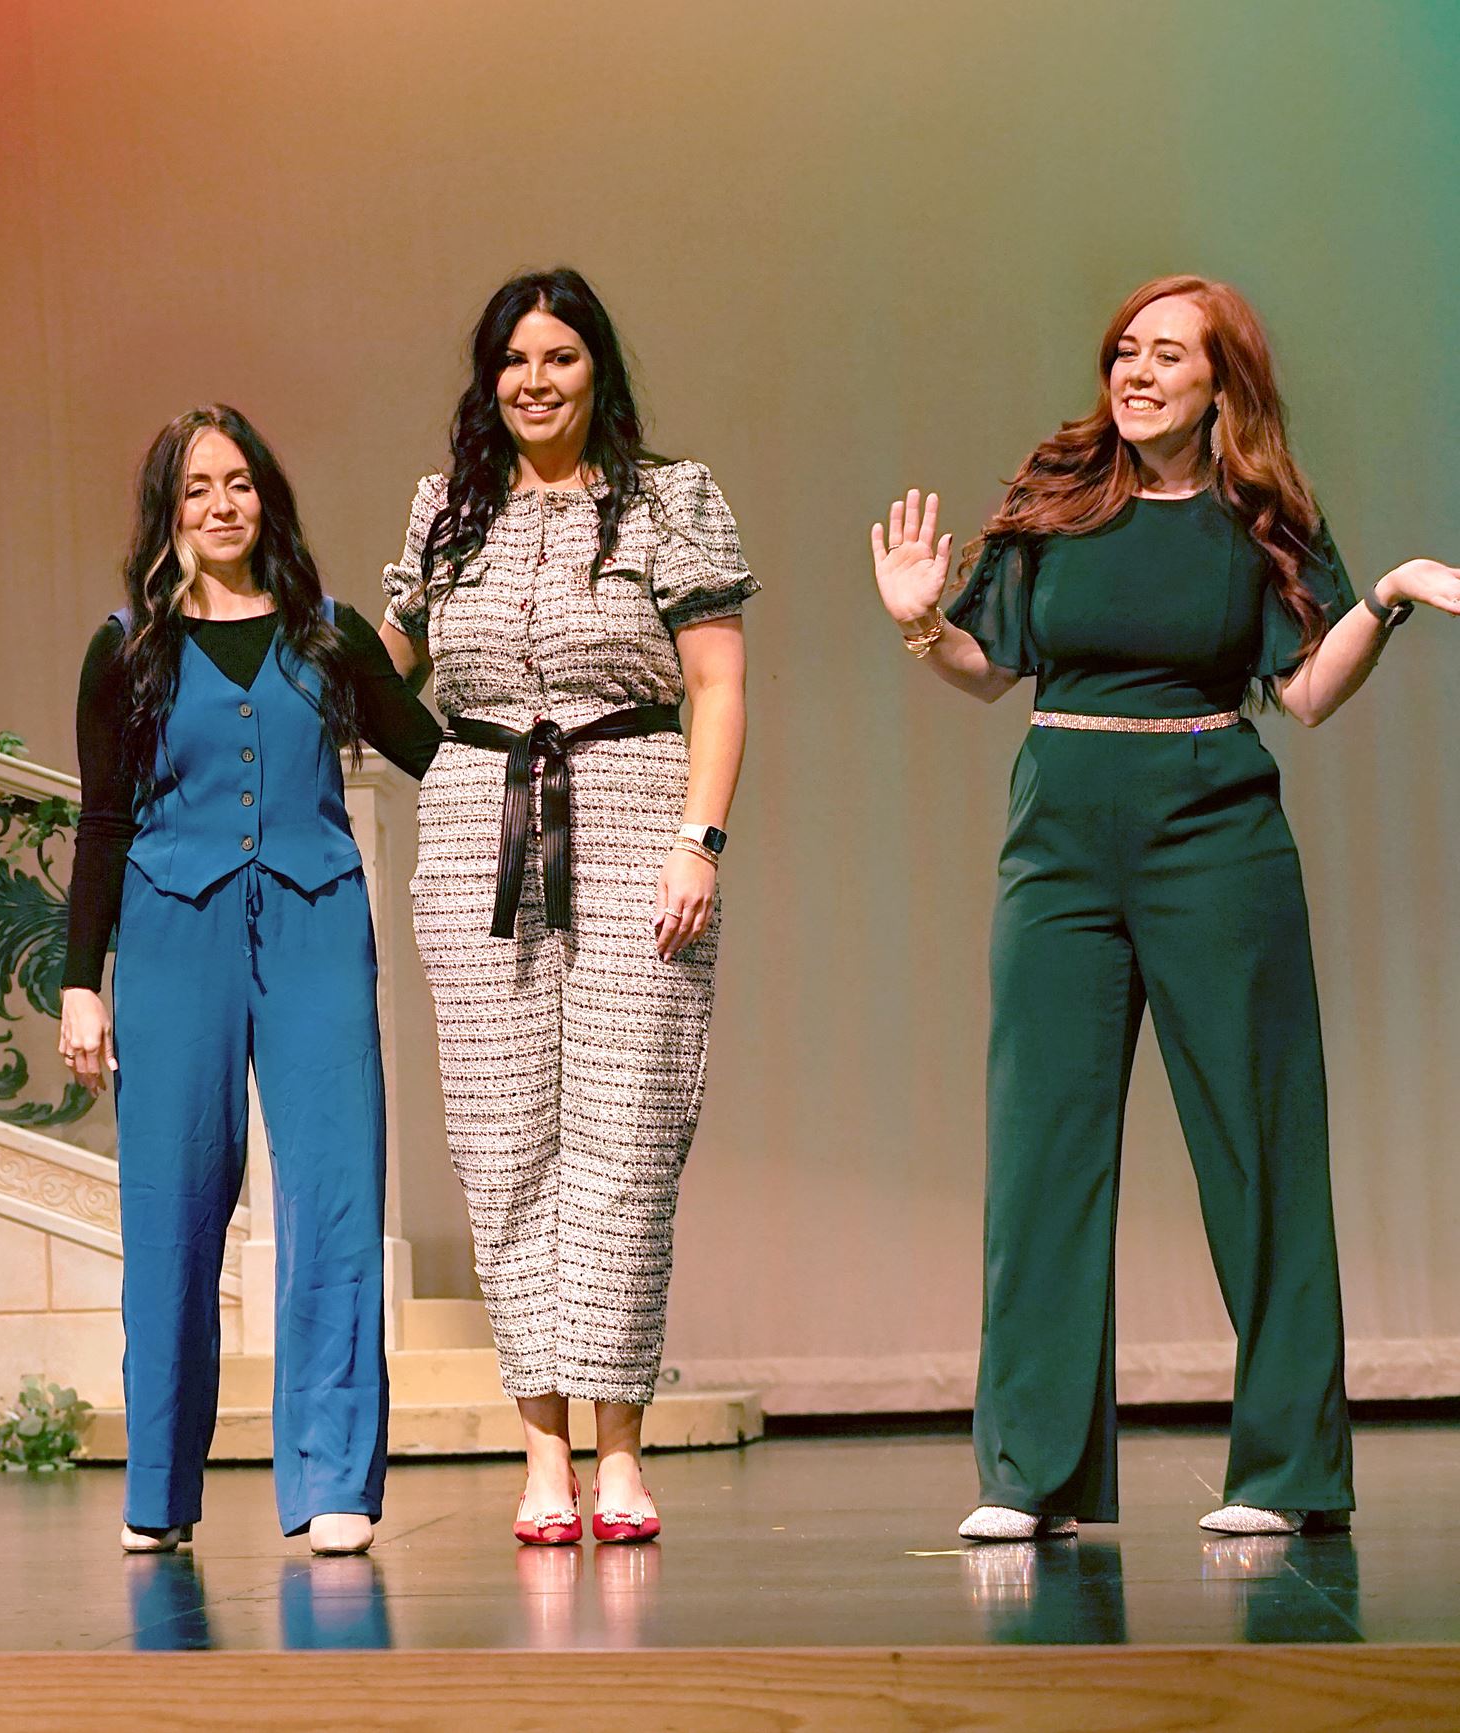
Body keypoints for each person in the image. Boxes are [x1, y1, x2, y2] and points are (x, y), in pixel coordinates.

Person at [870, 274, 1460, 1541]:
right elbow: (985, 674)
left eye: (1166, 355)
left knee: (1257, 1145)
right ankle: (1027, 1471)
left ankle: (1285, 1469)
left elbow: (1301, 693)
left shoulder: (1260, 518)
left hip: (1214, 841)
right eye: (1123, 351)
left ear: (1219, 383)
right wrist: (921, 624)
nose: (1134, 372)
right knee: (1040, 1148)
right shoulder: (1060, 500)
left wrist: (1391, 590)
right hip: (1060, 849)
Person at [379, 269, 754, 1547]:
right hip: (474, 826)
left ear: (597, 368)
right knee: (502, 1143)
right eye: (512, 361)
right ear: (487, 380)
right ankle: (539, 1447)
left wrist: (697, 840)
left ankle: (619, 1446)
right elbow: (382, 675)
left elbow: (714, 684)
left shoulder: (667, 499)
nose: (534, 381)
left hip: (634, 813)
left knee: (624, 1136)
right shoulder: (445, 513)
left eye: (559, 357)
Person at [60, 405, 439, 1557]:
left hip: (318, 923)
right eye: (193, 488)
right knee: (169, 1207)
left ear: (264, 496)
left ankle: (332, 1478)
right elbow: (101, 820)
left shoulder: (329, 635)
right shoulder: (125, 646)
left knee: (333, 1197)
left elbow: (435, 755)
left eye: (236, 482)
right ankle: (161, 1487)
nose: (219, 504)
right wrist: (82, 982)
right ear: (166, 513)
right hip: (172, 934)